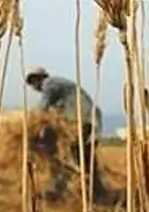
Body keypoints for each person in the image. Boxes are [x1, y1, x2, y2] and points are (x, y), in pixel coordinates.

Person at [25, 67, 116, 204]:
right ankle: (95, 194)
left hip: (83, 120)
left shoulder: (50, 84)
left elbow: (42, 109)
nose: (33, 87)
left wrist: (29, 125)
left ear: (40, 78)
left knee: (77, 156)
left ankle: (76, 191)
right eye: (30, 84)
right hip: (87, 120)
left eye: (33, 82)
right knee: (84, 159)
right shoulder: (61, 90)